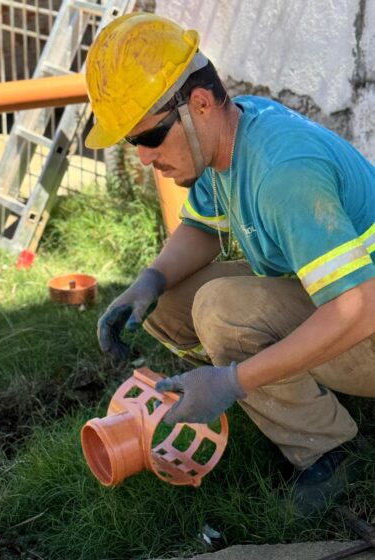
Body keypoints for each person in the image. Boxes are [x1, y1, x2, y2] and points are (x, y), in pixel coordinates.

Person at [85, 12, 375, 514]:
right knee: (171, 300)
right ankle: (277, 386)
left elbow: (357, 309)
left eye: (149, 138)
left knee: (221, 309)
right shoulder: (233, 132)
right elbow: (201, 228)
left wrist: (232, 381)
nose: (144, 158)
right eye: (134, 144)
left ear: (199, 104)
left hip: (363, 316)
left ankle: (328, 449)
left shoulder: (284, 175)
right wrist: (147, 282)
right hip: (348, 302)